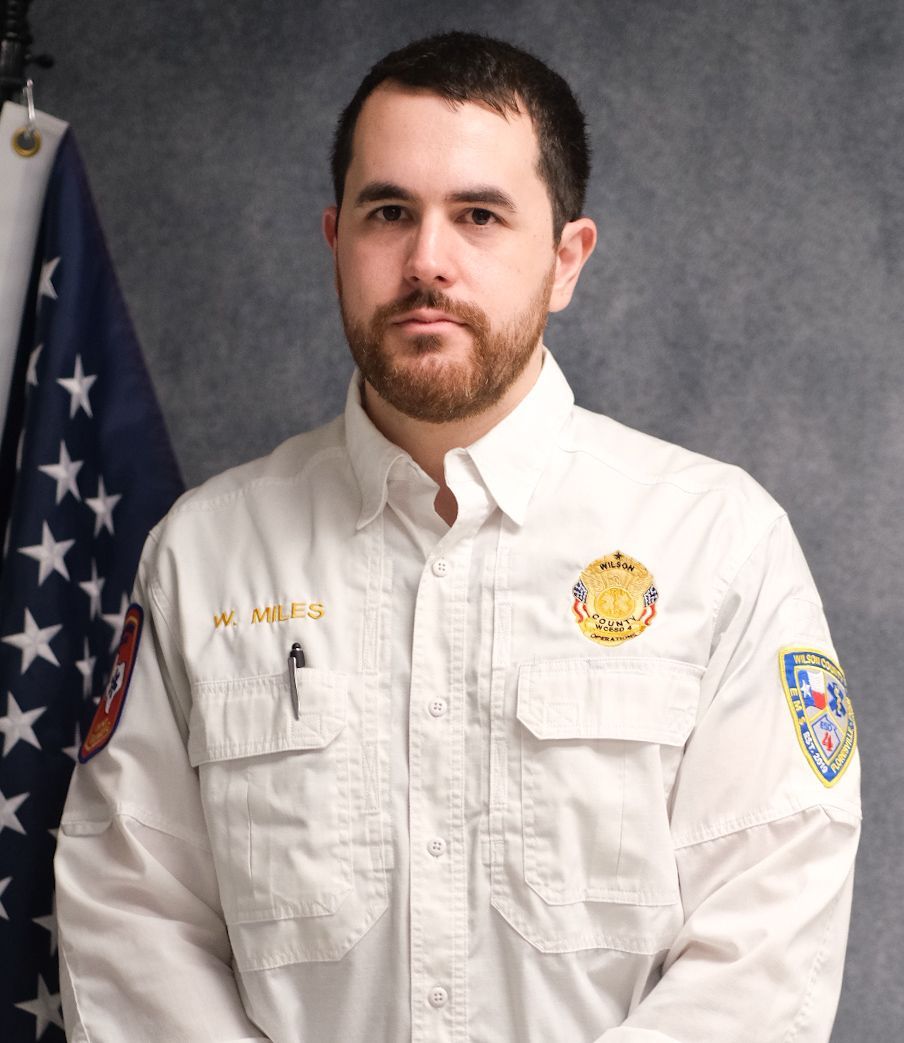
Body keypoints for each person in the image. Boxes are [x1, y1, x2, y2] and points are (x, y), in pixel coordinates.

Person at [55, 31, 861, 1042]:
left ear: (565, 259)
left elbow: (766, 937)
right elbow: (132, 915)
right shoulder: (204, 557)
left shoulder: (717, 542)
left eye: (478, 215)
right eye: (388, 212)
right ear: (334, 239)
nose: (426, 259)